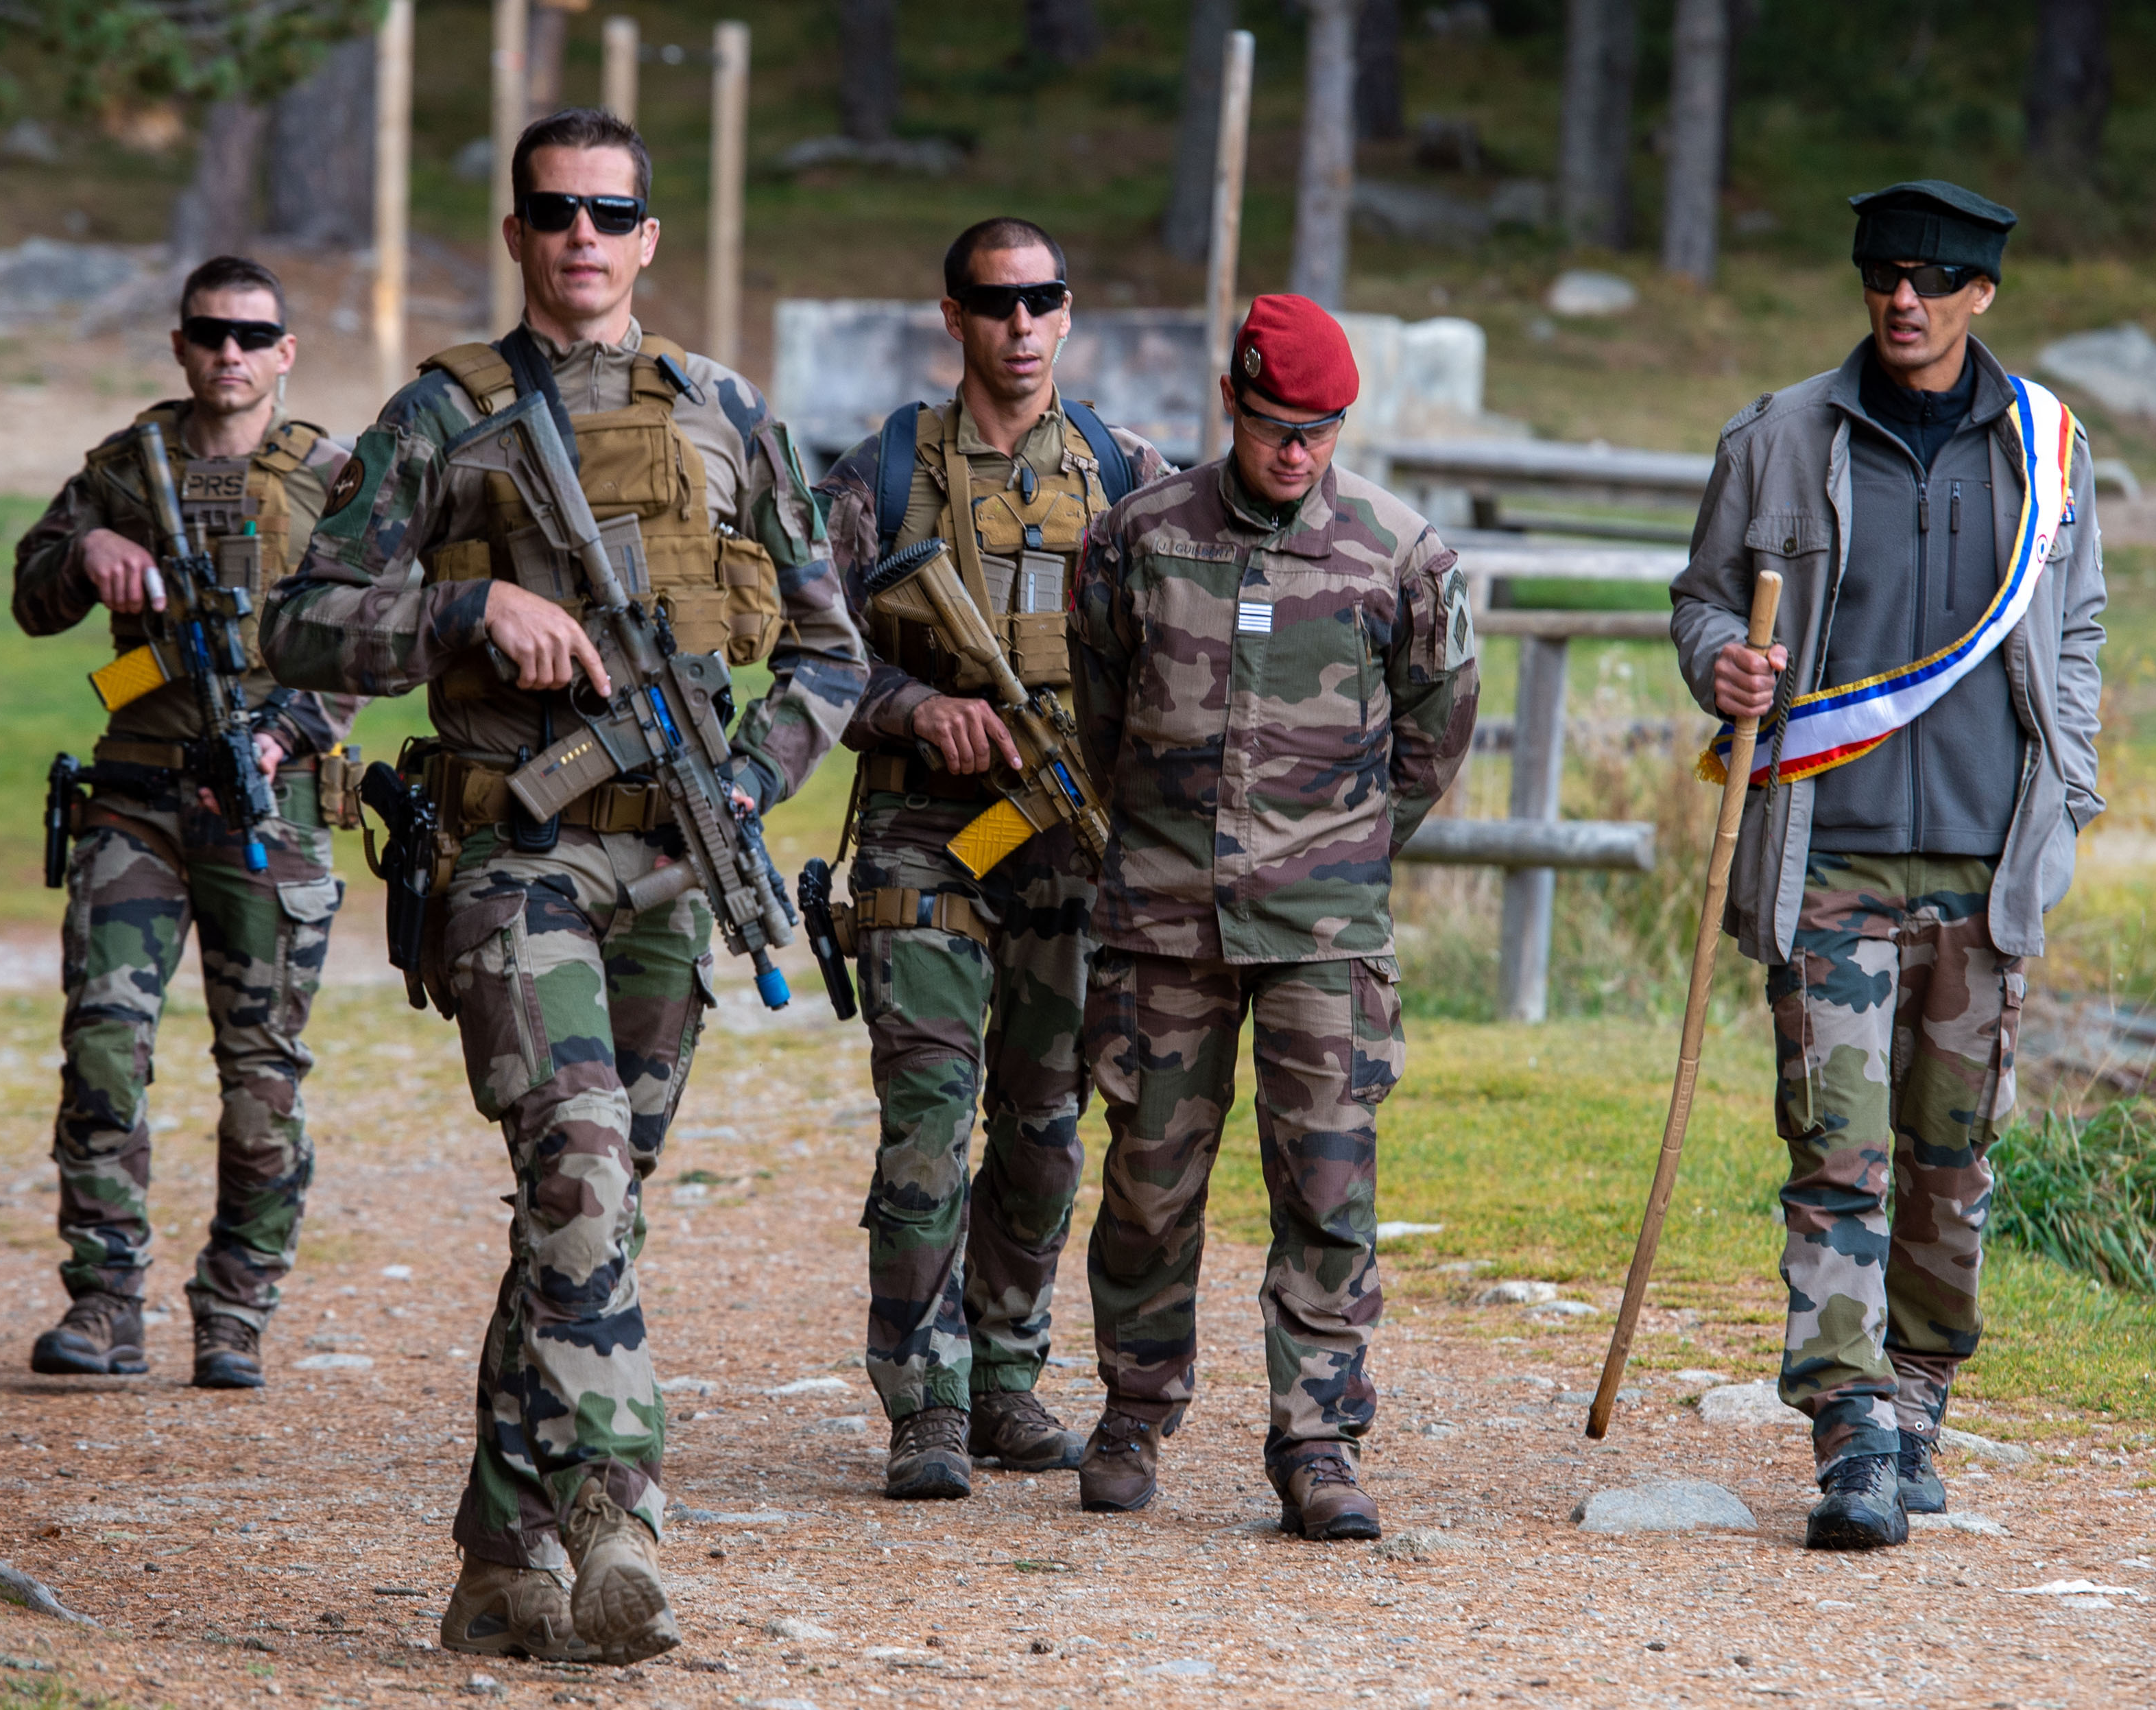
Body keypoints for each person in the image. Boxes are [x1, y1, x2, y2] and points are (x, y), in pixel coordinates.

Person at [259, 108, 863, 1664]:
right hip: (509, 856)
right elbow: (304, 625)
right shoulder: (440, 415)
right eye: (555, 211)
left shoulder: (728, 416)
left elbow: (826, 650)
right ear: (518, 233)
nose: (583, 235)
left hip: (672, 859)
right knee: (582, 1155)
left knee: (584, 1213)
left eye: (611, 211)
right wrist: (468, 606)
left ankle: (494, 1553)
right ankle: (618, 1513)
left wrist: (744, 781)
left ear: (647, 237)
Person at [1668, 180, 2107, 1551]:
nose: (1900, 299)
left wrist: (2069, 791)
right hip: (1826, 860)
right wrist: (1714, 665)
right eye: (1880, 275)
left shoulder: (2046, 450)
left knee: (1947, 1156)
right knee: (1836, 1154)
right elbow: (1696, 597)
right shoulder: (1778, 439)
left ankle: (1918, 1394)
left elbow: (2074, 629)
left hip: (1983, 870)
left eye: (1928, 278)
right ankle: (1850, 1424)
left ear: (1981, 294)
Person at [1067, 294, 1478, 1541]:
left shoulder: (1402, 555)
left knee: (1327, 1184)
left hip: (1324, 930)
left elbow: (1435, 731)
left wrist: (1341, 846)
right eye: (1273, 426)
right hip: (1165, 918)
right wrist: (1164, 838)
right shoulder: (1138, 538)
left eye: (1320, 430)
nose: (1295, 451)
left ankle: (1316, 1438)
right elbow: (1100, 710)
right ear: (1233, 407)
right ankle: (1135, 1406)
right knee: (1149, 1174)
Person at [812, 219, 1172, 1501]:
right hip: (928, 832)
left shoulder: (1131, 475)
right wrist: (919, 711)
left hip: (1069, 835)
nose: (1022, 325)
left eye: (1044, 301)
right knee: (926, 1117)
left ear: (1068, 314)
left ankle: (1007, 1377)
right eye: (995, 302)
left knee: (1043, 1126)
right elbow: (808, 655)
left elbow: (1180, 660)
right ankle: (923, 1400)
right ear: (952, 315)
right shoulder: (882, 474)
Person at [11, 254, 362, 1392]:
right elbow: (31, 593)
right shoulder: (127, 466)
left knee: (262, 1073)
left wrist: (287, 729)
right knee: (105, 1047)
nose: (230, 353)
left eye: (253, 336)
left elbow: (385, 633)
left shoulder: (329, 477)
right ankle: (105, 1304)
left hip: (270, 803)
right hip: (138, 796)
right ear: (180, 343)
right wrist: (86, 553)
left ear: (285, 352)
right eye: (210, 333)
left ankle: (237, 1309)